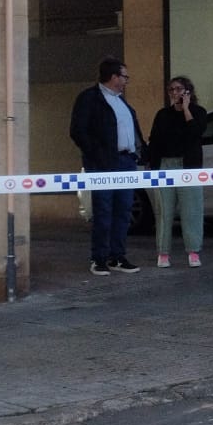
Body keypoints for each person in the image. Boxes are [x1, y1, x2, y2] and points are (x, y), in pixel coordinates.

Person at [69, 57, 145, 275]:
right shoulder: (90, 98)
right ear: (113, 77)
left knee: (124, 210)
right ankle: (99, 257)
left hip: (126, 161)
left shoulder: (122, 102)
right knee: (103, 210)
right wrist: (97, 154)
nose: (126, 81)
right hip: (104, 163)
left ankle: (117, 256)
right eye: (124, 76)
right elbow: (78, 131)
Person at [147, 75, 208, 269]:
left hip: (188, 165)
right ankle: (163, 253)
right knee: (164, 211)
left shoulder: (198, 112)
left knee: (192, 210)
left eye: (179, 89)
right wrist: (153, 167)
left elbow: (195, 133)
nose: (175, 93)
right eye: (172, 89)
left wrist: (187, 108)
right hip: (165, 164)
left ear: (188, 91)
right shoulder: (163, 115)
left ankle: (193, 251)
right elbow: (155, 141)